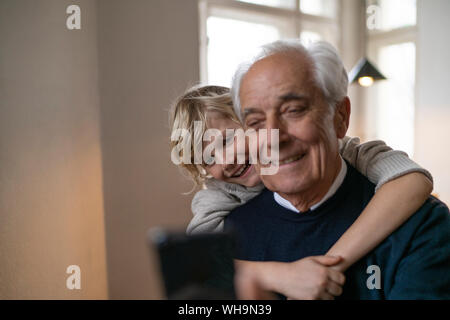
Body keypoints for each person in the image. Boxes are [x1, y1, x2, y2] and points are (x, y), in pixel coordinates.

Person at [224, 39, 450, 299]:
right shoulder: (230, 232)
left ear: (340, 117)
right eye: (255, 123)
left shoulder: (420, 225)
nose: (274, 138)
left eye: (294, 110)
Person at [169, 83, 434, 299]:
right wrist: (280, 275)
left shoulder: (334, 151)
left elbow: (412, 180)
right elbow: (196, 265)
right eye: (209, 159)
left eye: (227, 140)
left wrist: (330, 262)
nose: (226, 161)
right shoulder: (220, 195)